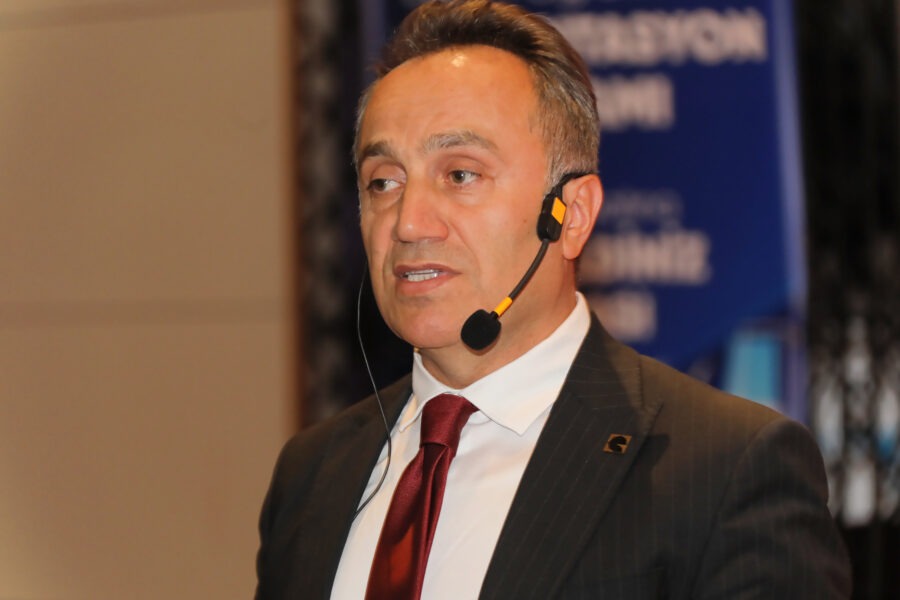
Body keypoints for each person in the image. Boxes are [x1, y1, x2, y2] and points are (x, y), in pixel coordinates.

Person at [255, 1, 852, 598]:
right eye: (383, 182)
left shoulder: (725, 469)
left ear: (571, 216)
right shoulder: (313, 475)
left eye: (460, 174)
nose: (408, 223)